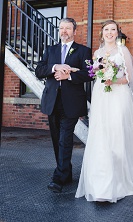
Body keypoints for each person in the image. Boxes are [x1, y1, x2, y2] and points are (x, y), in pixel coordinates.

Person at [76, 20, 133, 202]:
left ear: (117, 33)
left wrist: (113, 80)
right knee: (102, 133)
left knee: (117, 132)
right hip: (101, 96)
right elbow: (93, 74)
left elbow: (129, 79)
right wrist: (99, 73)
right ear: (102, 33)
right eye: (106, 30)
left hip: (119, 96)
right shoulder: (97, 53)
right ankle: (102, 175)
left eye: (113, 30)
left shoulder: (122, 51)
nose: (109, 33)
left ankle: (122, 175)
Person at [36, 18, 94, 193]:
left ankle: (58, 178)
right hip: (52, 102)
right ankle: (65, 172)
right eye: (61, 28)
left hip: (72, 103)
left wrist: (69, 76)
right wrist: (55, 67)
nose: (64, 31)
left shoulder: (83, 51)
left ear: (74, 31)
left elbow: (90, 73)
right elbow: (39, 71)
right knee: (56, 140)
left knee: (64, 139)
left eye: (68, 28)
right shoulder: (50, 50)